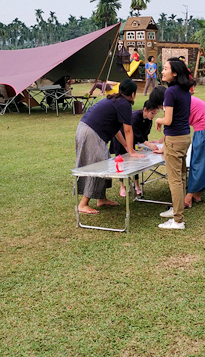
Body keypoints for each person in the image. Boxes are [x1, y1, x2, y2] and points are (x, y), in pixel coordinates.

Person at [75, 78, 144, 215]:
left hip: (86, 129)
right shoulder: (124, 104)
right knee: (97, 166)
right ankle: (83, 204)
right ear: (133, 94)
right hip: (91, 132)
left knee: (105, 163)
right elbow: (128, 130)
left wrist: (125, 145)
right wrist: (131, 152)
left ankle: (102, 198)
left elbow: (116, 129)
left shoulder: (116, 101)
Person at [155, 58, 193, 230]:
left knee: (174, 180)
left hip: (174, 139)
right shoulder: (185, 91)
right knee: (181, 176)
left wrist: (158, 119)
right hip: (185, 137)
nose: (162, 71)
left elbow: (168, 120)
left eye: (165, 68)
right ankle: (176, 209)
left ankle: (177, 220)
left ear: (175, 73)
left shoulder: (170, 92)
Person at [110, 98, 162, 197]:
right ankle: (122, 186)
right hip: (120, 139)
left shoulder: (148, 120)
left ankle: (137, 185)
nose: (154, 116)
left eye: (155, 113)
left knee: (134, 162)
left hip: (132, 141)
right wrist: (148, 144)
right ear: (145, 110)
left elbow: (144, 135)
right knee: (121, 162)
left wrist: (145, 146)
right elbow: (135, 134)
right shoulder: (134, 117)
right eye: (152, 113)